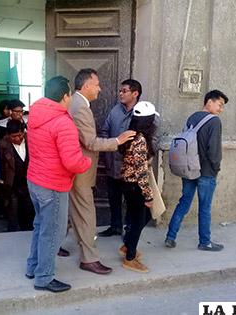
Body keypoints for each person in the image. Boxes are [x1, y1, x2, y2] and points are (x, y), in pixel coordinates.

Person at [25, 75, 91, 293]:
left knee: (40, 226)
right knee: (53, 231)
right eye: (70, 94)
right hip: (52, 184)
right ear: (65, 96)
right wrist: (87, 162)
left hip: (35, 180)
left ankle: (33, 267)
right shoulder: (62, 122)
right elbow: (72, 161)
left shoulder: (36, 114)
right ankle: (43, 277)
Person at [68, 68, 135, 275]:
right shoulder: (80, 106)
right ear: (86, 85)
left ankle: (59, 246)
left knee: (75, 211)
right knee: (86, 214)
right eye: (97, 84)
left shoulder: (77, 103)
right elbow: (90, 142)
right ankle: (89, 259)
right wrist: (118, 140)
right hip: (80, 170)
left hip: (76, 168)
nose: (100, 88)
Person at [165, 90, 228, 252]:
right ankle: (205, 242)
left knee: (184, 202)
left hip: (189, 169)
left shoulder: (192, 118)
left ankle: (170, 236)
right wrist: (216, 168)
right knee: (205, 207)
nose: (221, 109)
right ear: (209, 102)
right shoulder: (214, 121)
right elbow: (213, 150)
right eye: (220, 105)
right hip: (206, 172)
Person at [99, 79, 160, 237]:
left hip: (132, 169)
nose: (120, 94)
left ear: (135, 93)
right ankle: (115, 226)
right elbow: (105, 131)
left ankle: (129, 231)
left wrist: (144, 157)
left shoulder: (144, 113)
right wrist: (108, 152)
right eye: (120, 91)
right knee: (114, 198)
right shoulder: (115, 111)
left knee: (132, 203)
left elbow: (152, 138)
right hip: (113, 164)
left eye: (124, 91)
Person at [119, 101, 157, 273]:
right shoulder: (141, 140)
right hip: (135, 186)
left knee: (137, 219)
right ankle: (130, 258)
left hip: (128, 184)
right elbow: (141, 172)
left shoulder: (130, 134)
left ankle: (127, 246)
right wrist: (148, 196)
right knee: (139, 220)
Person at [0, 119, 34, 232]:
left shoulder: (31, 141)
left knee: (29, 210)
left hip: (29, 183)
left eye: (20, 135)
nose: (17, 139)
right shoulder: (2, 145)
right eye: (14, 137)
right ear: (8, 135)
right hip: (11, 184)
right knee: (13, 212)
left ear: (23, 132)